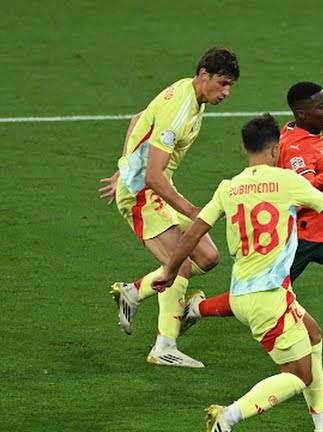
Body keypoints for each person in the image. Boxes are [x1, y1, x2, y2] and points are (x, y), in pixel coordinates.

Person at [152, 114, 323, 432]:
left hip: (244, 294)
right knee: (298, 375)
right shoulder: (286, 181)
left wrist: (171, 271)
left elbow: (194, 231)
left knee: (313, 335)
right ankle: (227, 416)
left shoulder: (228, 188)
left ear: (244, 148)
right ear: (276, 149)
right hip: (267, 299)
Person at [186, 82, 323, 380]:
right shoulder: (296, 150)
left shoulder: (299, 127)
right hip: (297, 237)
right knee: (255, 293)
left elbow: (311, 119)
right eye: (322, 106)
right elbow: (299, 195)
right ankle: (197, 308)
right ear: (302, 114)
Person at [99, 47, 239, 367]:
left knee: (208, 257)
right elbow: (152, 176)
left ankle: (134, 292)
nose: (226, 92)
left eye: (230, 85)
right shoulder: (180, 109)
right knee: (181, 266)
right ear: (204, 75)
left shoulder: (189, 92)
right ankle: (164, 346)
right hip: (142, 194)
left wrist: (124, 165)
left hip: (158, 189)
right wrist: (191, 211)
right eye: (222, 83)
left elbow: (139, 119)